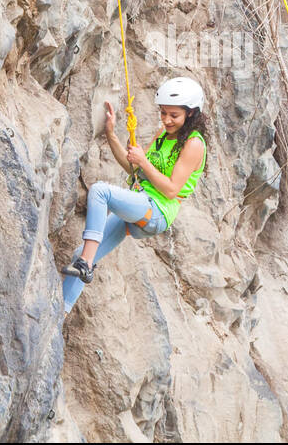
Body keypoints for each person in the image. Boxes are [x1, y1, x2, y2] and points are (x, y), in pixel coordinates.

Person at [61, 76, 207, 313]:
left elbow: (171, 190)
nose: (167, 120)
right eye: (163, 113)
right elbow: (135, 170)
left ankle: (86, 264)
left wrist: (143, 163)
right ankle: (60, 314)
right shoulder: (164, 134)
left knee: (100, 191)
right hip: (141, 203)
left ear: (190, 114)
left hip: (158, 211)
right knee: (82, 252)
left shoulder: (194, 144)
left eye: (174, 115)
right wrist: (111, 135)